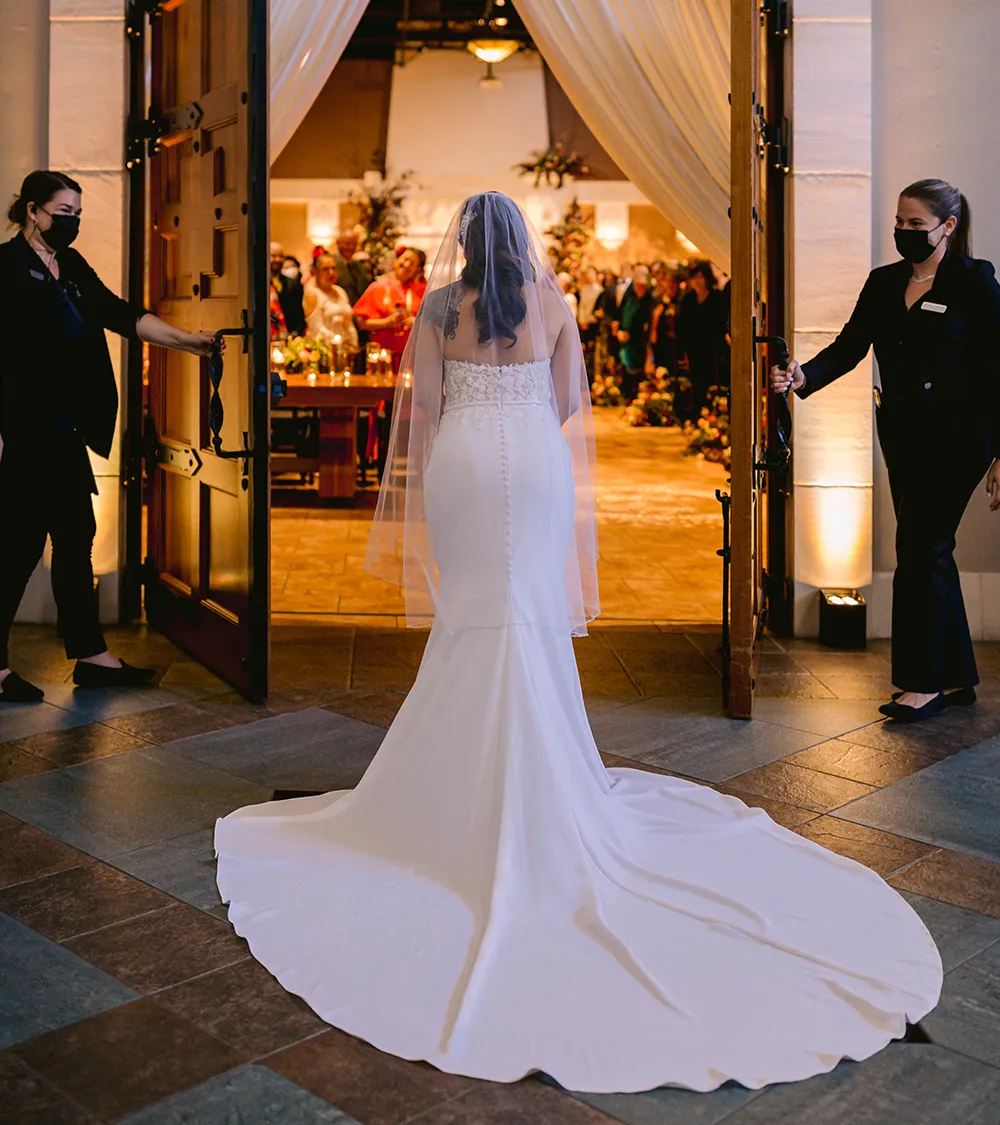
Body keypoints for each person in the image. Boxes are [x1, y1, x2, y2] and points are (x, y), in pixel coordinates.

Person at [216, 191, 940, 1095]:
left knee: (475, 612)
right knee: (527, 611)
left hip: (469, 467)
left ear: (459, 248)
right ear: (520, 243)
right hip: (533, 459)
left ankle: (455, 779)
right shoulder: (555, 302)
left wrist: (475, 425)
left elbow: (427, 409)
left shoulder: (439, 309)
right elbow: (566, 402)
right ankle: (547, 773)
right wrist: (516, 412)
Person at [771, 178, 1000, 723]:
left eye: (915, 225)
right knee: (932, 551)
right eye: (898, 223)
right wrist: (803, 376)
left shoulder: (974, 280)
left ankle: (923, 684)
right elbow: (850, 346)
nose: (903, 232)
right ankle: (958, 677)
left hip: (959, 439)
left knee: (920, 550)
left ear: (947, 226)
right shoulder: (884, 282)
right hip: (902, 437)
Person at [0, 170, 219, 702]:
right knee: (15, 551)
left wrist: (188, 342)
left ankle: (91, 655)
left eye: (77, 214)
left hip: (65, 432)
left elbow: (120, 314)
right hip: (23, 433)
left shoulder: (69, 266)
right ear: (32, 210)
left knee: (76, 543)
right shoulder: (5, 268)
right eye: (62, 213)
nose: (70, 223)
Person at [352, 247, 425, 373]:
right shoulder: (377, 287)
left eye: (412, 263)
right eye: (405, 259)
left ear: (417, 269)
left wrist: (416, 322)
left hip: (412, 358)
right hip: (382, 357)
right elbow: (360, 323)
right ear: (396, 260)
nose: (406, 265)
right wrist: (387, 322)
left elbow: (436, 324)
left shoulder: (422, 290)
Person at [677, 259, 728, 420]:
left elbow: (722, 324)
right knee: (696, 384)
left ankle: (712, 417)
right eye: (694, 277)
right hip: (694, 349)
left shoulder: (717, 298)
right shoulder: (687, 301)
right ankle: (696, 417)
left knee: (714, 384)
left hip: (713, 349)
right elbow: (682, 328)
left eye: (701, 277)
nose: (697, 281)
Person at [303, 253, 359, 352]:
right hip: (323, 350)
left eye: (334, 268)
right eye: (325, 269)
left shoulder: (340, 291)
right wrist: (340, 345)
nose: (331, 273)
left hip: (345, 349)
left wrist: (353, 343)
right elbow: (317, 329)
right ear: (316, 271)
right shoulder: (312, 294)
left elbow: (349, 324)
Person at [617, 264, 655, 401]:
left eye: (642, 286)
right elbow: (621, 313)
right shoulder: (630, 297)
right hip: (626, 340)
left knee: (638, 372)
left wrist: (630, 334)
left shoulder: (649, 302)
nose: (639, 288)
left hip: (639, 341)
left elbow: (645, 323)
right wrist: (620, 329)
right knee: (626, 370)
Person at [269, 242, 305, 337]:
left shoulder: (292, 283)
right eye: (273, 256)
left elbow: (299, 311)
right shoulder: (260, 284)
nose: (278, 259)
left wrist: (297, 332)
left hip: (290, 335)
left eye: (281, 256)